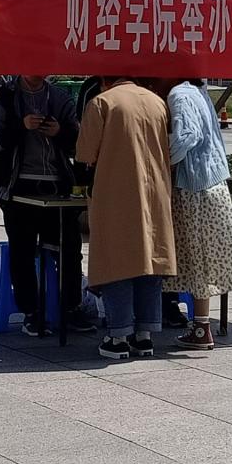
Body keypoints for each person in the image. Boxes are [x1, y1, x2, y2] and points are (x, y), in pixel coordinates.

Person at [76, 77, 177, 360]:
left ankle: (118, 336)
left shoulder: (102, 102)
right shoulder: (157, 102)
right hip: (155, 192)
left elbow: (85, 153)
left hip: (116, 192)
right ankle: (145, 335)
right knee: (149, 262)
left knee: (116, 263)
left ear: (104, 81)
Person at [0, 75, 95, 336]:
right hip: (16, 186)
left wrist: (60, 132)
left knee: (69, 247)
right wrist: (20, 127)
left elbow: (79, 143)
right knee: (22, 250)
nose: (37, 72)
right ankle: (31, 312)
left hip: (57, 183)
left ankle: (71, 307)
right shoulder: (2, 99)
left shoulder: (59, 98)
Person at [159, 78, 232, 351]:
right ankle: (200, 325)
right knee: (204, 256)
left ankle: (201, 328)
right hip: (213, 180)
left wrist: (161, 159)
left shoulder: (179, 94)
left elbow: (187, 136)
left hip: (195, 184)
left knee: (197, 255)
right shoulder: (198, 91)